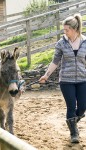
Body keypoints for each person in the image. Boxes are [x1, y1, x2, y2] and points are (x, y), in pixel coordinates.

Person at [39, 13, 86, 143]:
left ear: (75, 29)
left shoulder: (85, 42)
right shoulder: (61, 43)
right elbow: (55, 62)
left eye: (67, 30)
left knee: (82, 107)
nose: (65, 32)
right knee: (71, 107)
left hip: (83, 80)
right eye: (64, 30)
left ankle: (72, 122)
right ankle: (74, 133)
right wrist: (46, 75)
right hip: (66, 81)